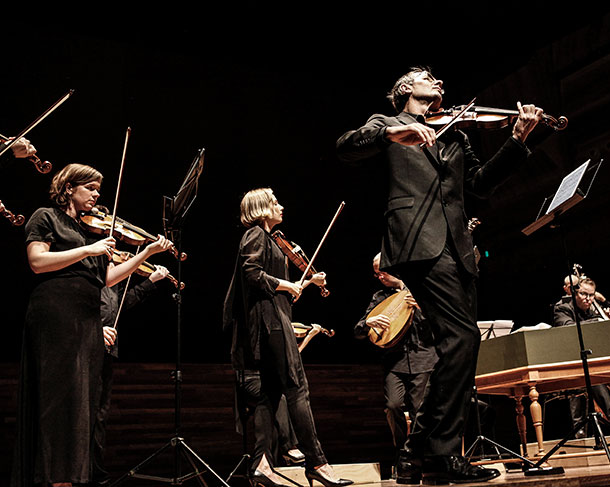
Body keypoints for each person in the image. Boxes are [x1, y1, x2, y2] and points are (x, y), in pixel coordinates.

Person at [336, 66, 543, 484]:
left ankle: (415, 455)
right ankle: (445, 456)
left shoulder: (454, 133)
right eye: (426, 76)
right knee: (462, 340)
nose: (439, 81)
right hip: (417, 244)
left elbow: (481, 184)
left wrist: (518, 139)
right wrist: (392, 136)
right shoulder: (388, 124)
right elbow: (345, 146)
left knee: (458, 349)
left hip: (458, 249)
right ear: (405, 89)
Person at [11, 163, 173, 487]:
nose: (97, 195)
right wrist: (89, 249)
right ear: (69, 187)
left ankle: (71, 478)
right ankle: (56, 480)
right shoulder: (46, 217)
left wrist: (146, 252)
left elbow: (107, 278)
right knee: (60, 400)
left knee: (83, 405)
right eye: (91, 188)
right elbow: (37, 262)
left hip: (87, 319)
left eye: (99, 189)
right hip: (56, 313)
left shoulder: (90, 231)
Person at [222, 188, 352, 487]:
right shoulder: (255, 235)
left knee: (269, 395)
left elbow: (271, 286)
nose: (281, 205)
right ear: (261, 209)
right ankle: (317, 462)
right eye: (275, 202)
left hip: (273, 320)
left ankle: (262, 465)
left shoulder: (269, 239)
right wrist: (285, 283)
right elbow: (251, 273)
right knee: (297, 388)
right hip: (271, 324)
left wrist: (299, 285)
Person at [354, 253, 437, 470]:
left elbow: (442, 321)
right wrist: (368, 322)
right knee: (393, 405)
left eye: (382, 271)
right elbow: (359, 330)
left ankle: (422, 455)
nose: (379, 277)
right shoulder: (381, 297)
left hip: (424, 357)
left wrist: (422, 308)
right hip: (395, 362)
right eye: (376, 273)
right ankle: (403, 453)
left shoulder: (422, 289)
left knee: (420, 409)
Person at [93, 264, 170, 485]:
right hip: (84, 346)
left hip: (107, 351)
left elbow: (119, 305)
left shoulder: (114, 279)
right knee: (84, 415)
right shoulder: (89, 270)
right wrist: (95, 328)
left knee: (99, 415)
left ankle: (96, 474)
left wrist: (151, 281)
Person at [552, 277, 610, 435]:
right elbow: (566, 329)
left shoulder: (593, 311)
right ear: (575, 292)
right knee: (591, 373)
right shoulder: (562, 308)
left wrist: (608, 323)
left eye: (591, 295)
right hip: (572, 362)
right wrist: (597, 322)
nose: (588, 299)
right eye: (583, 294)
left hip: (597, 359)